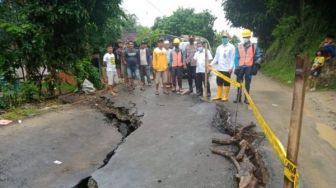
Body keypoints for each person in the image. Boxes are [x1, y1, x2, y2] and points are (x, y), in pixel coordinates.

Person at [234, 29, 261, 104]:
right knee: (239, 82)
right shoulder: (238, 46)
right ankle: (238, 98)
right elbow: (236, 57)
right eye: (244, 37)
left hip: (249, 67)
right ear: (242, 38)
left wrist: (257, 64)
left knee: (247, 83)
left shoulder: (254, 46)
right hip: (240, 67)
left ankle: (246, 98)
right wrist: (236, 66)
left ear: (250, 37)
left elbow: (258, 56)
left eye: (247, 37)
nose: (245, 38)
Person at [210, 32, 235, 101]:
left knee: (226, 83)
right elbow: (216, 57)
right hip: (219, 68)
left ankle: (225, 96)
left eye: (225, 37)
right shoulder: (219, 47)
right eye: (223, 37)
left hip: (227, 69)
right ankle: (219, 95)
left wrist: (231, 67)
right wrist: (211, 64)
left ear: (228, 38)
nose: (224, 38)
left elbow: (233, 58)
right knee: (219, 82)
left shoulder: (231, 47)